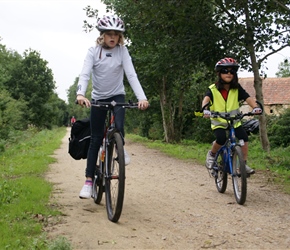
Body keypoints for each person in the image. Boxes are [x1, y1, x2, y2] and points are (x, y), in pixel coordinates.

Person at [76, 14, 149, 199]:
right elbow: (85, 74)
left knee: (119, 126)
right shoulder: (93, 52)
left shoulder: (123, 52)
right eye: (109, 34)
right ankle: (88, 181)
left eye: (116, 34)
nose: (112, 37)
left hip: (117, 95)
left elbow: (131, 75)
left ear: (120, 37)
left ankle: (119, 147)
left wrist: (142, 98)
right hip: (98, 98)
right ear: (102, 35)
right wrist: (80, 94)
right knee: (95, 138)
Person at [202, 57, 262, 175]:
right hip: (219, 121)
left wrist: (255, 107)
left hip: (234, 121)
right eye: (225, 71)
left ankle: (242, 165)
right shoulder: (213, 89)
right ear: (219, 73)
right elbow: (206, 99)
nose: (229, 74)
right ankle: (212, 155)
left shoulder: (236, 88)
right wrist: (205, 109)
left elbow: (248, 98)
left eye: (232, 71)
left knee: (243, 138)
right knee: (221, 138)